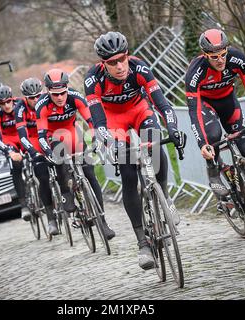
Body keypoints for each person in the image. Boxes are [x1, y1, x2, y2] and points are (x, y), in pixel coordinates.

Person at [84, 31, 186, 270]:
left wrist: (172, 128)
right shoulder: (92, 79)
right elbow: (99, 124)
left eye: (122, 59)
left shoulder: (140, 68)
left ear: (128, 55)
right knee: (129, 175)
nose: (119, 66)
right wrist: (111, 144)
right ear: (103, 63)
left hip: (139, 110)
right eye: (112, 63)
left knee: (155, 144)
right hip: (113, 121)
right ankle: (143, 243)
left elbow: (162, 103)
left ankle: (165, 196)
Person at [185, 28, 245, 202]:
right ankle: (213, 170)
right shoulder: (195, 72)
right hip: (206, 105)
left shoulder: (238, 59)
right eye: (214, 57)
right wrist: (202, 143)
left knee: (244, 148)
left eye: (223, 54)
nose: (220, 60)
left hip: (228, 101)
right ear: (205, 55)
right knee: (213, 135)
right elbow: (193, 110)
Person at [33, 68, 116, 240]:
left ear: (67, 89)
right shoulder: (41, 105)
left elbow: (92, 121)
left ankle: (103, 222)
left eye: (62, 93)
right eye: (55, 94)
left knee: (90, 174)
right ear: (48, 91)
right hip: (53, 137)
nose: (60, 98)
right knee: (59, 156)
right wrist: (48, 152)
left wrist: (96, 139)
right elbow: (41, 136)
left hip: (73, 133)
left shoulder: (75, 97)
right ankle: (66, 194)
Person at [15, 78, 58, 235]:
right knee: (43, 177)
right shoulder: (19, 109)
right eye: (31, 98)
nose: (35, 100)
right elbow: (22, 136)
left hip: (48, 135)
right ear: (25, 98)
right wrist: (33, 152)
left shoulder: (48, 100)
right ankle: (51, 219)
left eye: (38, 96)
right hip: (32, 140)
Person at [0, 85, 30, 222]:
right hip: (9, 141)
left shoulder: (21, 104)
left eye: (8, 101)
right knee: (16, 166)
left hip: (24, 135)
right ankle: (23, 205)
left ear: (12, 99)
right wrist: (9, 152)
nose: (7, 106)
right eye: (2, 104)